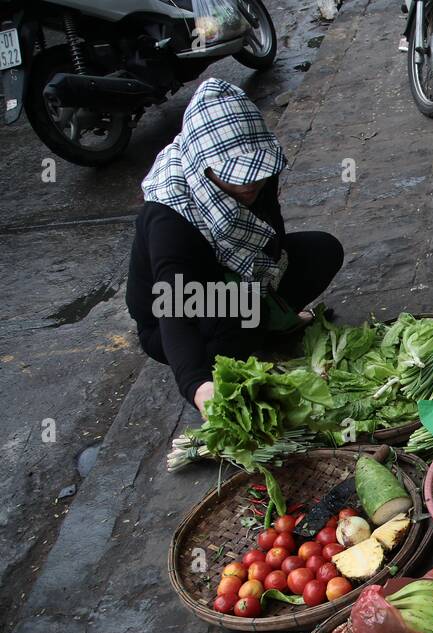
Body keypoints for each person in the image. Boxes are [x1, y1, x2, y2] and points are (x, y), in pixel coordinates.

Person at [126, 78, 343, 414]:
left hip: (239, 283)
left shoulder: (258, 179)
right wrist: (198, 386)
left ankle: (262, 324)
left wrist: (267, 295)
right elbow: (174, 312)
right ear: (203, 168)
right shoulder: (170, 216)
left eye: (256, 172)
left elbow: (274, 239)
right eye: (236, 175)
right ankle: (245, 339)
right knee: (237, 315)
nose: (251, 183)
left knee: (323, 251)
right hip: (175, 315)